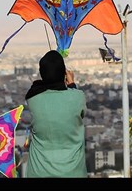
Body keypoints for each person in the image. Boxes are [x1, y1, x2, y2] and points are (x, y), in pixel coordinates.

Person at [25, 50, 87, 178]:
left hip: (39, 172)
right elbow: (79, 112)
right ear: (63, 72)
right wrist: (72, 84)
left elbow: (36, 88)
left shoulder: (33, 99)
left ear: (42, 73)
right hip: (73, 172)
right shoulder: (78, 97)